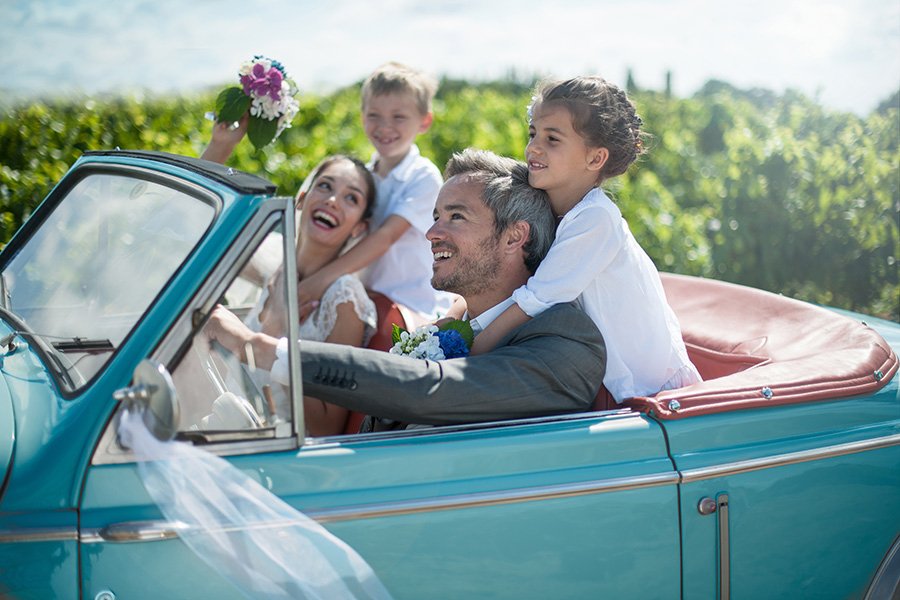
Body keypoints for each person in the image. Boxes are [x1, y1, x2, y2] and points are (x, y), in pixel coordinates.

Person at [205, 149, 607, 430]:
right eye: (435, 217)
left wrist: (254, 346)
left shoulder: (565, 341)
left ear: (514, 236)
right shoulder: (453, 322)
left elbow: (433, 387)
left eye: (456, 217)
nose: (431, 233)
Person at [464, 76, 701, 402]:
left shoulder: (596, 218)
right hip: (599, 375)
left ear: (594, 159)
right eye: (533, 133)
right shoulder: (549, 209)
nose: (533, 147)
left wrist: (466, 357)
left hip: (649, 387)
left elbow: (536, 298)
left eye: (552, 139)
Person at [202, 129, 380, 435]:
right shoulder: (277, 266)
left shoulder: (344, 298)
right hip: (229, 411)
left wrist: (283, 330)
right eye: (324, 186)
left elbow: (325, 428)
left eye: (351, 198)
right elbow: (200, 230)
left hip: (276, 442)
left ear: (358, 229)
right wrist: (221, 144)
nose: (334, 200)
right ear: (301, 200)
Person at [293, 62, 456, 322]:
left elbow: (386, 236)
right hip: (364, 295)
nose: (384, 127)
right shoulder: (363, 177)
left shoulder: (422, 176)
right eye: (374, 115)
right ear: (362, 117)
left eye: (398, 117)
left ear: (424, 121)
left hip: (408, 304)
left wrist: (319, 281)